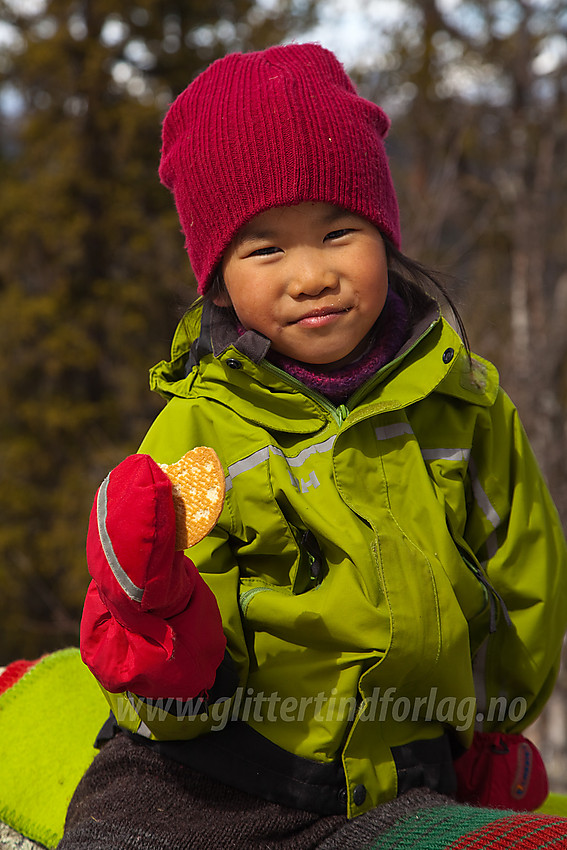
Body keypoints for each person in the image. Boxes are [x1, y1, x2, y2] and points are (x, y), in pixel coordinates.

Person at [58, 43, 567, 849]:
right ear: (217, 275)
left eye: (338, 232)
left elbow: (522, 581)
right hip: (212, 780)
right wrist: (161, 627)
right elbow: (165, 686)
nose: (311, 275)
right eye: (265, 249)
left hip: (395, 782)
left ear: (383, 231)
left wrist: (490, 729)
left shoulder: (463, 407)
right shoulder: (197, 435)